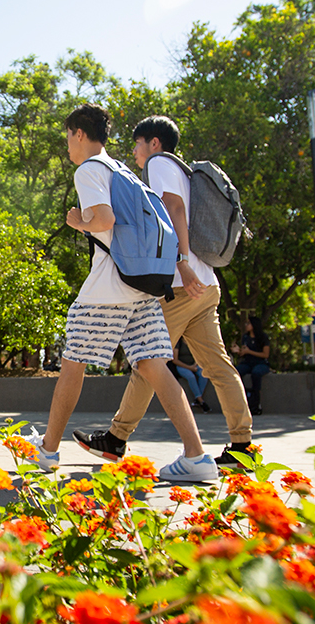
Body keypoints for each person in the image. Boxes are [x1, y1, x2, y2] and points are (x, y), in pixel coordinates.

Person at [33, 104, 215, 483]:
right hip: (143, 284)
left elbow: (103, 219)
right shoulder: (122, 169)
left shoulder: (89, 170)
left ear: (80, 134)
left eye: (68, 137)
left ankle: (48, 450)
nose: (67, 146)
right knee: (153, 365)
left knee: (73, 362)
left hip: (108, 288)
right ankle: (197, 456)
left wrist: (76, 222)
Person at [71, 115, 252, 468]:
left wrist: (181, 261)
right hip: (206, 283)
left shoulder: (160, 164)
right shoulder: (185, 172)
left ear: (154, 143)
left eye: (138, 144)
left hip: (184, 285)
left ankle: (117, 438)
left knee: (147, 359)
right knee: (217, 366)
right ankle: (243, 447)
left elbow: (174, 209)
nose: (136, 153)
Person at [232, 315, 270, 415]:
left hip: (260, 362)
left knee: (256, 373)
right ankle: (239, 400)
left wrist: (249, 351)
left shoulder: (263, 337)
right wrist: (238, 351)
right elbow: (244, 352)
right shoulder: (245, 337)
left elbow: (265, 354)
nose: (246, 325)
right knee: (236, 372)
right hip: (247, 362)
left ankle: (255, 402)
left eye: (248, 323)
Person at [170, 340, 211, 413]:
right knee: (191, 377)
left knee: (204, 374)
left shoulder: (193, 341)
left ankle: (197, 399)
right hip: (182, 366)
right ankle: (201, 402)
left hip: (194, 365)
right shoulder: (178, 343)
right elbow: (175, 360)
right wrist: (189, 368)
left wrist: (194, 365)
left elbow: (199, 355)